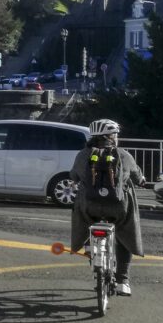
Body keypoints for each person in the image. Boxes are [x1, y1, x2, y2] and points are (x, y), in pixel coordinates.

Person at [69, 118, 147, 296]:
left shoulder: (82, 155)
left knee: (84, 222)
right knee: (125, 233)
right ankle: (123, 281)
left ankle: (90, 246)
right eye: (116, 134)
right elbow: (137, 176)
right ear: (110, 136)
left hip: (90, 208)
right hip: (117, 208)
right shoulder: (124, 155)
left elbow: (74, 175)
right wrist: (142, 181)